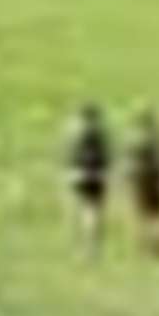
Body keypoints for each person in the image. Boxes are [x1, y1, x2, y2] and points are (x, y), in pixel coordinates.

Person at [130, 109, 159, 259]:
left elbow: (129, 165)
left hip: (141, 183)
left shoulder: (136, 141)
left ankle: (145, 247)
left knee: (143, 216)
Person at [64, 104, 112, 254]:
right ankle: (92, 245)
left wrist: (69, 172)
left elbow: (69, 156)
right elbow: (107, 157)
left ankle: (84, 244)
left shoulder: (75, 133)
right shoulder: (100, 134)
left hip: (79, 175)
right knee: (94, 211)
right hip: (97, 175)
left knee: (83, 209)